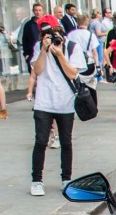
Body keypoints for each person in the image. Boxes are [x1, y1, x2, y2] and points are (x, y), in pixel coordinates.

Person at [26, 16, 83, 195]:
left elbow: (72, 74)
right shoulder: (39, 47)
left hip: (65, 102)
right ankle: (37, 181)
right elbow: (37, 70)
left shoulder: (72, 47)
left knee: (66, 141)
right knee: (40, 141)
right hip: (44, 101)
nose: (54, 38)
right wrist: (44, 50)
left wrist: (60, 54)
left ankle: (66, 179)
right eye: (49, 35)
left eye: (57, 34)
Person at [20, 3, 44, 71]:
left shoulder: (46, 23)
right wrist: (26, 54)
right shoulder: (28, 25)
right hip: (32, 54)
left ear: (43, 11)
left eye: (39, 10)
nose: (38, 12)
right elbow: (25, 40)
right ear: (33, 11)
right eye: (36, 10)